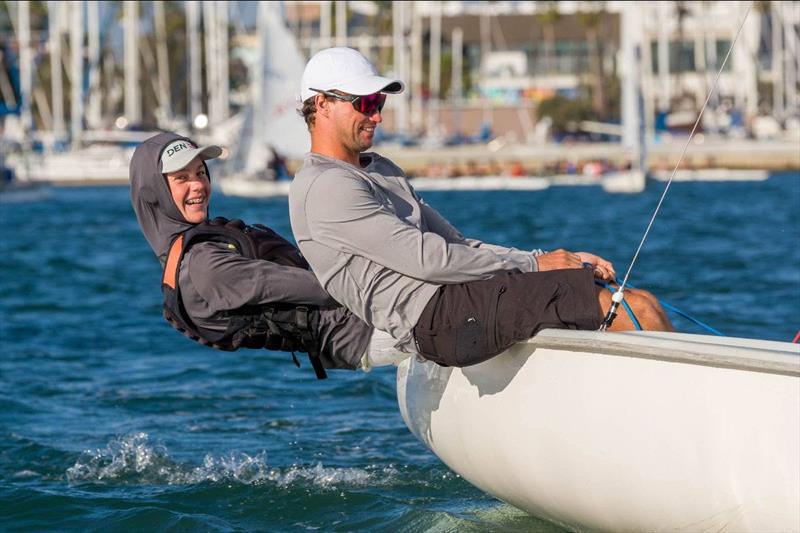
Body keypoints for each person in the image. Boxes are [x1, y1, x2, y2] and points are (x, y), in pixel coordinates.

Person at [288, 47, 672, 368]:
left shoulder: (381, 170)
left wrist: (548, 259)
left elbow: (459, 246)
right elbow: (428, 260)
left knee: (636, 298)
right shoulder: (326, 186)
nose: (378, 115)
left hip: (457, 300)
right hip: (436, 319)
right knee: (622, 308)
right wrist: (536, 265)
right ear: (321, 104)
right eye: (366, 103)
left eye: (380, 102)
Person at [130, 131, 399, 379]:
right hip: (359, 331)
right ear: (155, 192)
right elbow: (326, 289)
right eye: (182, 178)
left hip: (353, 328)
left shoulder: (185, 254)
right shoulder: (204, 264)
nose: (198, 184)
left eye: (200, 173)